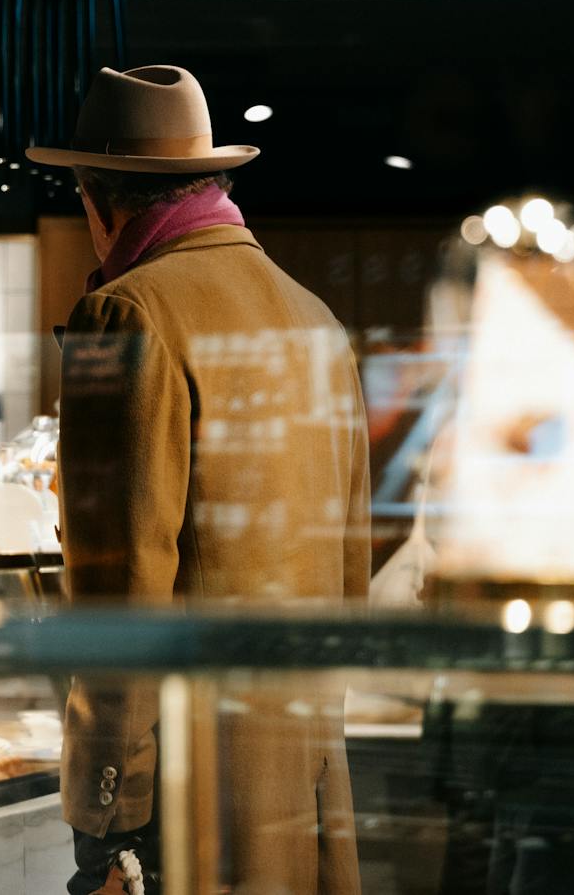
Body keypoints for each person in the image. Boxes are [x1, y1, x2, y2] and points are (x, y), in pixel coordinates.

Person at [27, 65, 371, 895]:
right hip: (306, 781)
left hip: (188, 804)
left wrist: (106, 819)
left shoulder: (124, 313)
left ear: (95, 199)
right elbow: (350, 574)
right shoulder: (317, 320)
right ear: (213, 179)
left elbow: (120, 597)